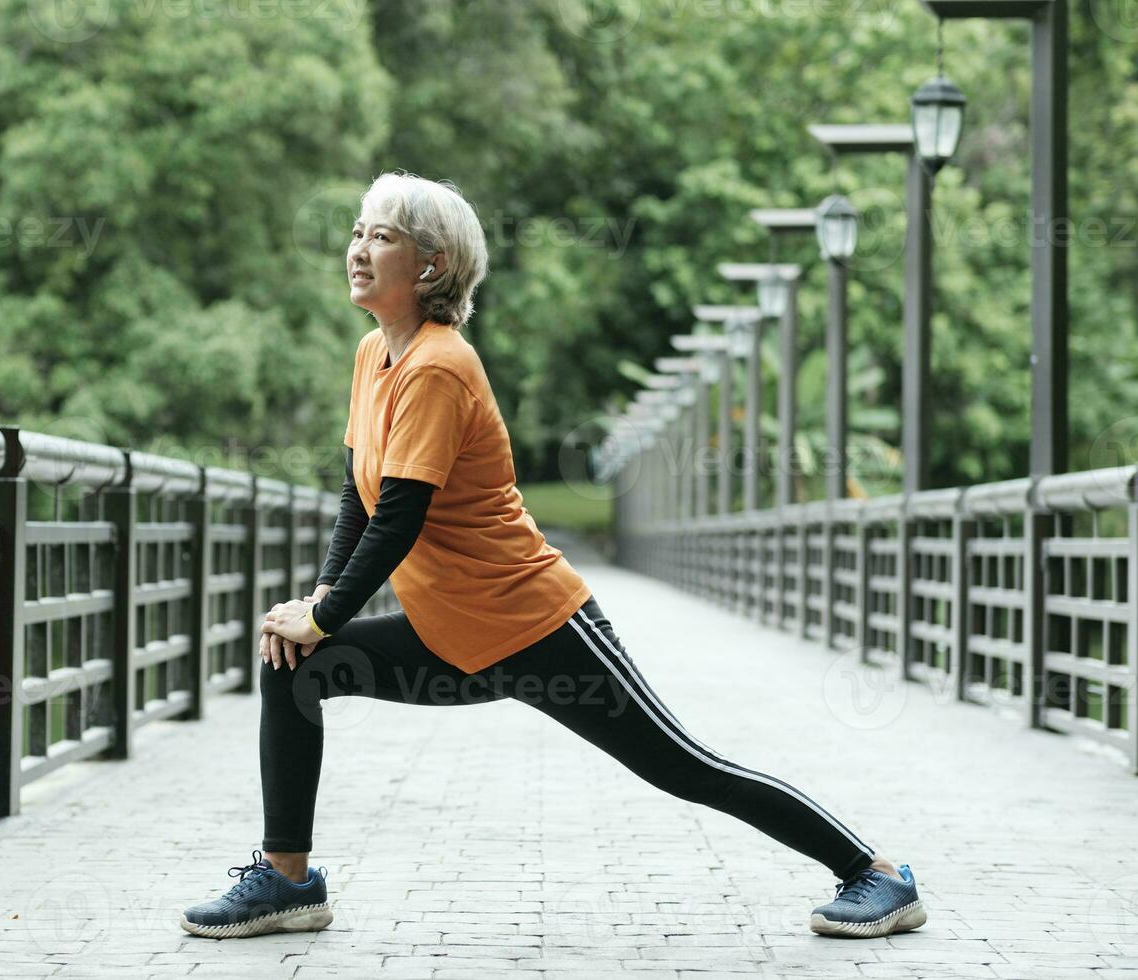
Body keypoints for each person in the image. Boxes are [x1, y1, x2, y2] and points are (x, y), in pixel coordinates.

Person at [179, 171, 926, 941]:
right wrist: (316, 610)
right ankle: (288, 882)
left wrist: (325, 612)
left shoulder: (440, 364)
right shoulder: (376, 355)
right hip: (450, 635)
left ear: (431, 266)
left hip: (533, 627)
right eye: (358, 231)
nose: (357, 249)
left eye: (381, 236)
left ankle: (876, 875)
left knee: (681, 766)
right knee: (293, 664)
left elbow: (401, 517)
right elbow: (357, 502)